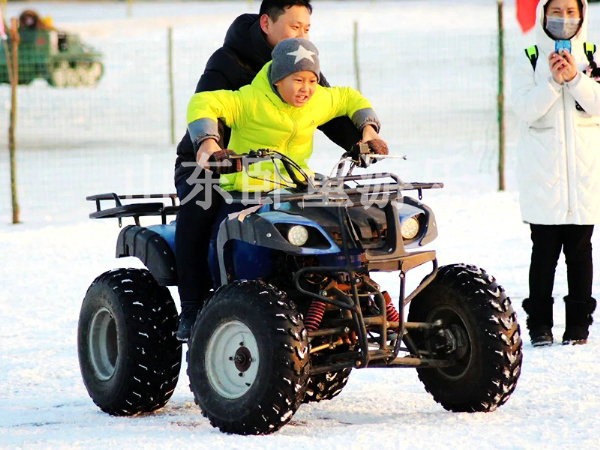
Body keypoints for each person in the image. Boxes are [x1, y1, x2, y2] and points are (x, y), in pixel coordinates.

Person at [174, 0, 372, 342]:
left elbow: (329, 110)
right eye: (294, 26)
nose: (301, 34)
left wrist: (361, 141)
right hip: (209, 164)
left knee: (324, 209)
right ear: (266, 23)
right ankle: (193, 308)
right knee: (199, 210)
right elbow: (208, 107)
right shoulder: (228, 62)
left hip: (276, 172)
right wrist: (209, 144)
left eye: (307, 28)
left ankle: (321, 296)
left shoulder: (298, 62)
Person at [510, 0, 600, 346]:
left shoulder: (592, 54)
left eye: (571, 12)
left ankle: (578, 328)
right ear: (543, 14)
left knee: (581, 252)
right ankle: (540, 326)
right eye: (556, 11)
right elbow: (525, 110)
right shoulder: (530, 57)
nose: (564, 19)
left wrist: (575, 78)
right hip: (542, 176)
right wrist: (551, 81)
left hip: (584, 175)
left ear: (582, 14)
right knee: (543, 253)